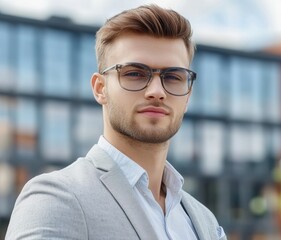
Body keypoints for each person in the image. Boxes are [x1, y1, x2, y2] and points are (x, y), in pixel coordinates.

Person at [5, 4, 226, 240]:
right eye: (134, 73)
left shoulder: (205, 221)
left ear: (188, 94)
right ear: (100, 89)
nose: (156, 91)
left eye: (173, 77)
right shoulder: (56, 199)